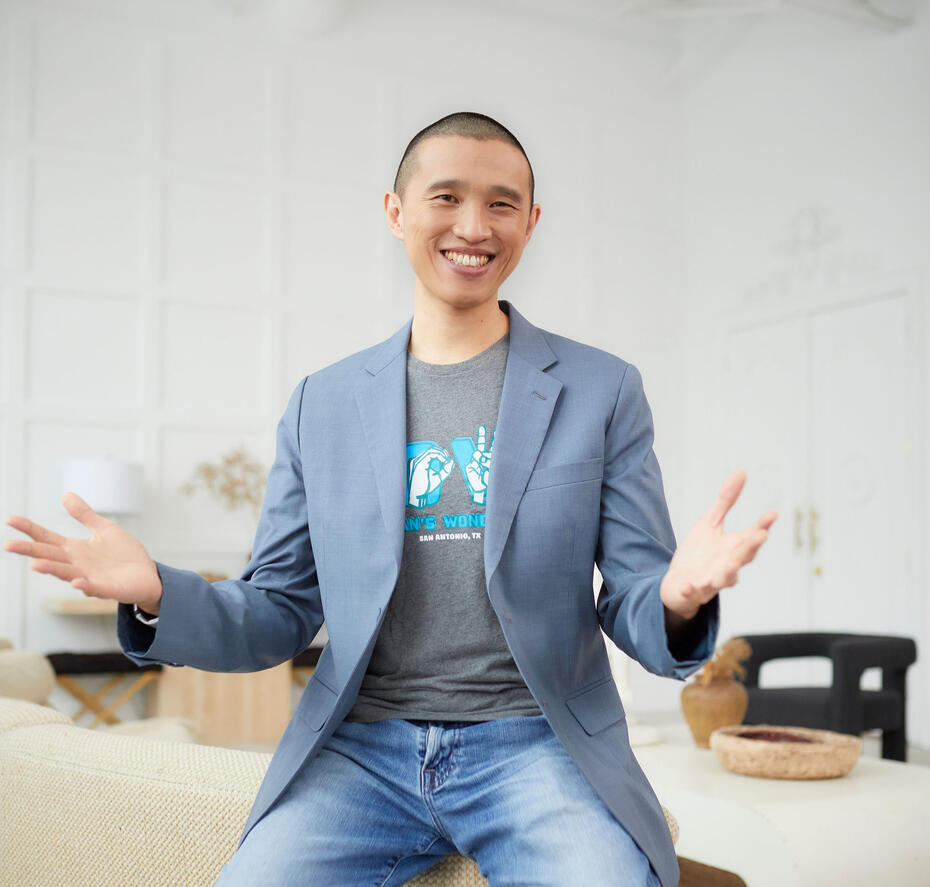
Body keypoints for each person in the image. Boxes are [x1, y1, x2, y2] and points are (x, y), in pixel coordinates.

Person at [3, 112, 776, 887]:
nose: (473, 226)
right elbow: (277, 610)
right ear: (396, 211)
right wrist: (154, 593)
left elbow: (638, 598)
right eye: (446, 197)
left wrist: (676, 599)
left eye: (501, 204)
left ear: (531, 223)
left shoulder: (601, 389)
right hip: (360, 751)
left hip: (537, 744)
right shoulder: (322, 403)